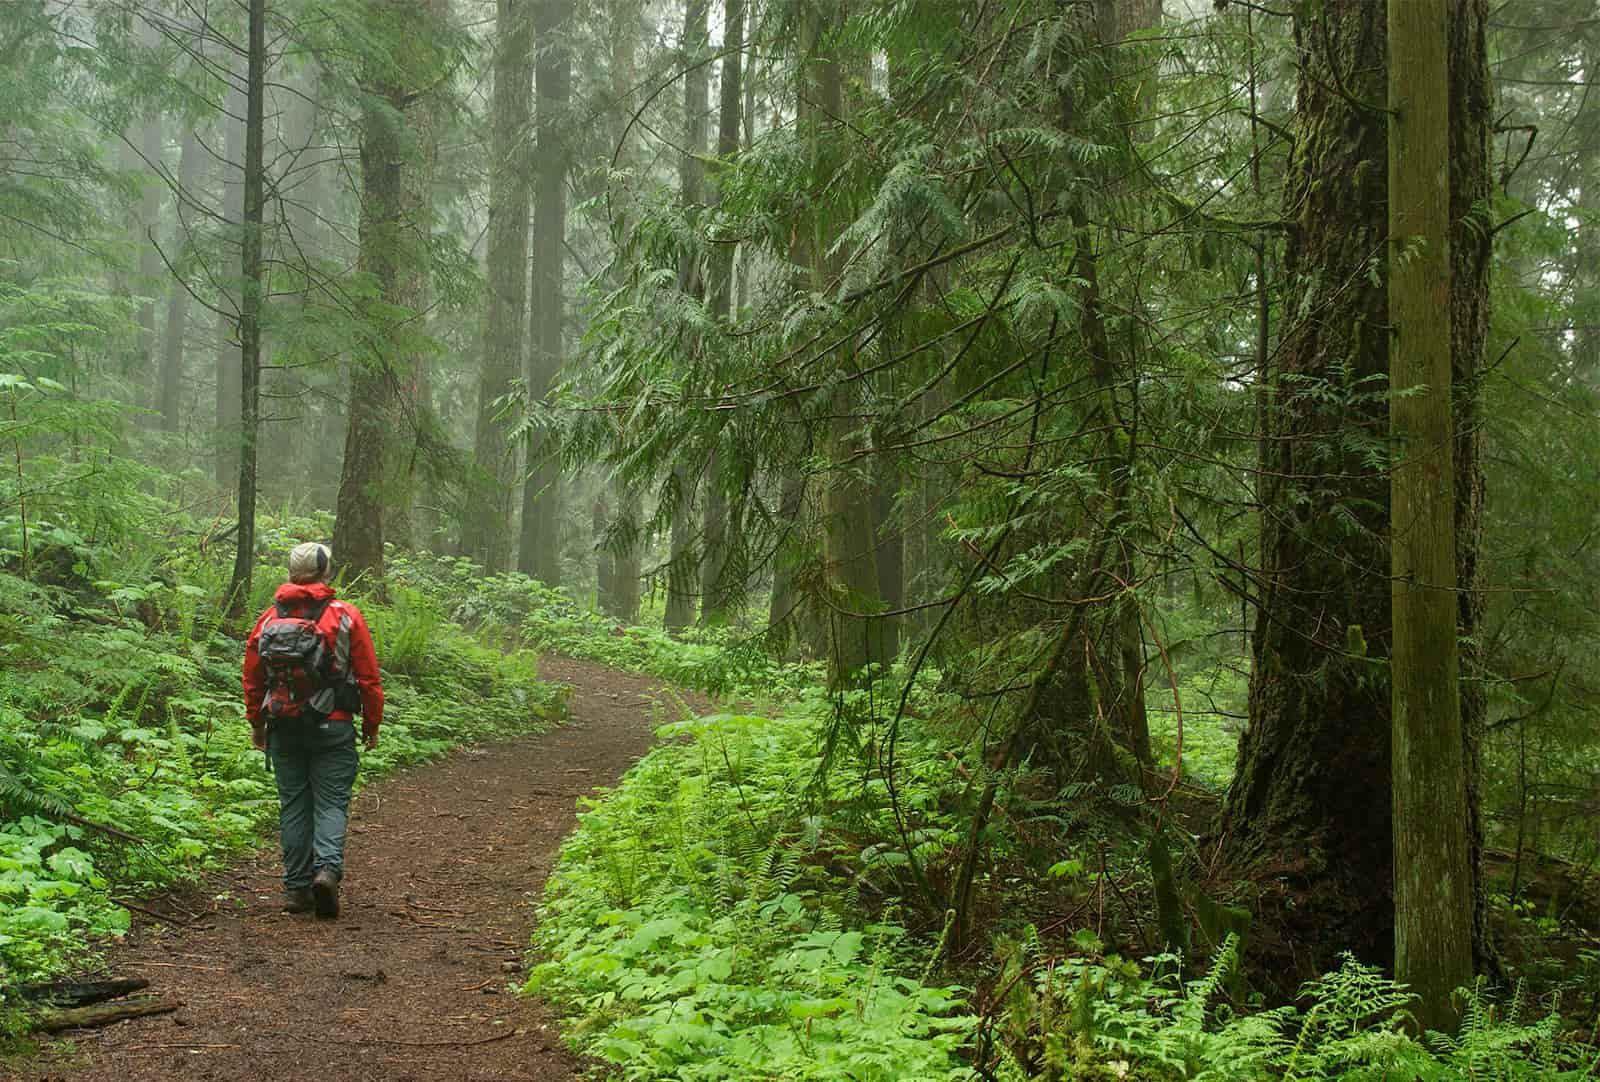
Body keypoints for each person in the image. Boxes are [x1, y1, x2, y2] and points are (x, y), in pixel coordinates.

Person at [242, 542, 383, 918]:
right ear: (326, 573)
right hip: (333, 725)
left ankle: (296, 889)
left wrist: (257, 723)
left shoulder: (269, 618)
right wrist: (371, 724)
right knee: (331, 802)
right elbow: (369, 678)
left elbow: (253, 678)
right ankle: (327, 871)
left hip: (283, 726)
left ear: (290, 574)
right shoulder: (345, 615)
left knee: (293, 806)